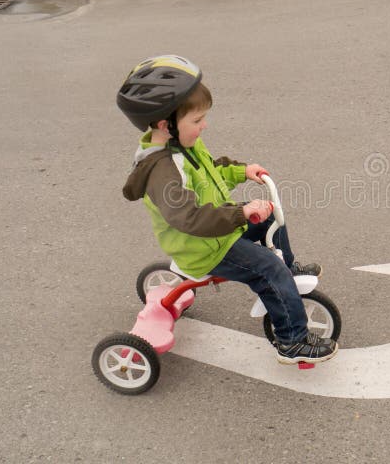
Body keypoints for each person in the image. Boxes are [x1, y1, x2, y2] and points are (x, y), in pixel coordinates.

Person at [117, 54, 338, 364]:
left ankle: (288, 269)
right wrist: (241, 214)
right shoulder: (162, 171)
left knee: (270, 216)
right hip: (203, 247)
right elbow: (189, 217)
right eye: (196, 120)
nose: (203, 125)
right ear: (165, 124)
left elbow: (212, 172)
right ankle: (292, 341)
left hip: (217, 229)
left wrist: (242, 171)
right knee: (266, 268)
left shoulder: (184, 146)